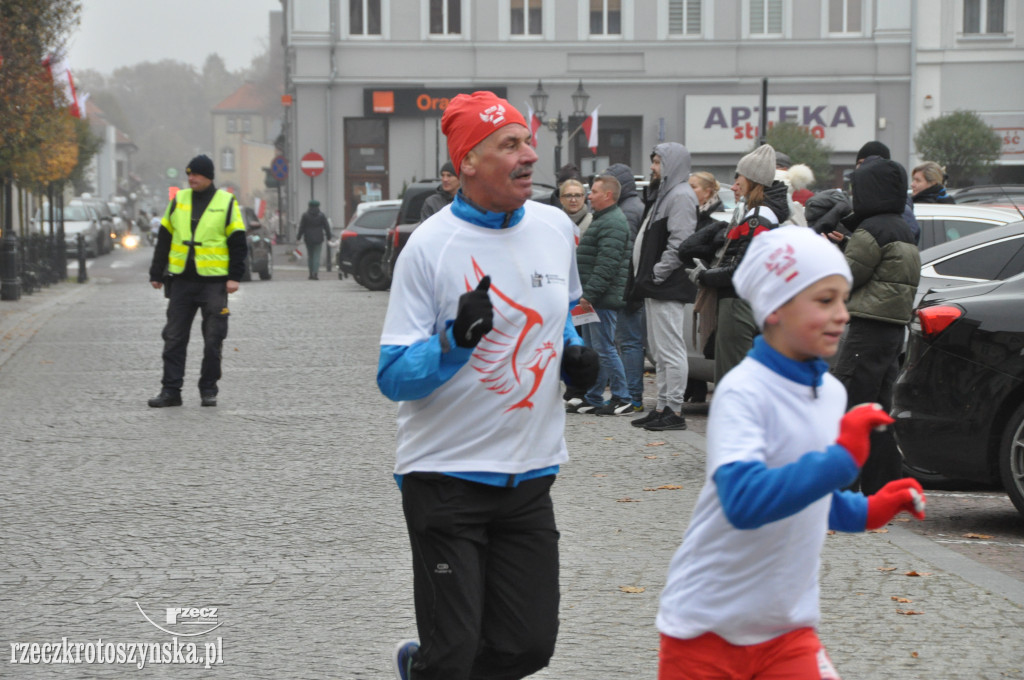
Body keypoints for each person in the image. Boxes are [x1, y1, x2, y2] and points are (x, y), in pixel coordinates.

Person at [377, 90, 598, 680]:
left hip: (529, 474)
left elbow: (569, 308)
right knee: (454, 655)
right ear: (467, 162)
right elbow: (393, 376)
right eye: (510, 145)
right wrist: (452, 343)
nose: (530, 155)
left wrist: (578, 355)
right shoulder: (429, 247)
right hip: (445, 476)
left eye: (529, 140)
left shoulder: (555, 228)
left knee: (527, 647)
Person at [657, 226, 927, 680]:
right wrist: (843, 458)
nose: (843, 314)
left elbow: (809, 496)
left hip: (786, 631)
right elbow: (744, 502)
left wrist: (872, 509)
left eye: (843, 299)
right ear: (776, 308)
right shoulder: (743, 391)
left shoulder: (830, 396)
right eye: (825, 301)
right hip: (704, 631)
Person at [831, 156, 921, 495]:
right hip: (892, 330)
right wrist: (848, 245)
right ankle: (883, 487)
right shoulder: (902, 228)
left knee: (850, 404)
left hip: (867, 330)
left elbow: (848, 277)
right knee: (878, 411)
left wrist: (836, 253)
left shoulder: (872, 229)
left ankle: (842, 487)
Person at [147, 154, 246, 408]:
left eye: (197, 174)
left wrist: (235, 276)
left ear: (209, 177)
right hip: (181, 281)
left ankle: (208, 388)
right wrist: (156, 273)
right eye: (189, 174)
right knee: (173, 337)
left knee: (214, 338)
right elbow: (165, 237)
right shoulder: (178, 200)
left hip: (213, 282)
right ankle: (171, 391)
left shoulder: (226, 202)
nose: (191, 178)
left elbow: (237, 241)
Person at [697, 144, 790, 382]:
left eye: (740, 178)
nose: (735, 185)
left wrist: (703, 276)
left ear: (753, 181)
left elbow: (740, 269)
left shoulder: (758, 218)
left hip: (738, 303)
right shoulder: (760, 215)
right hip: (745, 301)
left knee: (732, 377)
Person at [627, 143, 699, 431]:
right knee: (659, 350)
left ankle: (674, 409)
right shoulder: (667, 194)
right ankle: (662, 406)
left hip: (665, 284)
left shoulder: (680, 195)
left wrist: (658, 272)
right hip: (657, 283)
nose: (653, 167)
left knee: (670, 349)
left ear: (670, 164)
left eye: (657, 162)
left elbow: (680, 241)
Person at [568, 174, 633, 415]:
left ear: (607, 195)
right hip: (592, 297)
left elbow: (607, 265)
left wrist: (589, 295)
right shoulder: (604, 219)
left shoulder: (613, 222)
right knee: (594, 349)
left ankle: (622, 397)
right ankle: (594, 396)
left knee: (604, 348)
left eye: (594, 192)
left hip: (599, 299)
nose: (589, 196)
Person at [677, 171, 728, 404]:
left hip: (707, 279)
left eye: (694, 187)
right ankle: (693, 384)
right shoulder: (690, 213)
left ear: (708, 191)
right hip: (692, 279)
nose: (689, 192)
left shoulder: (717, 217)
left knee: (703, 332)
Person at [606, 162, 647, 413]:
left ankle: (633, 397)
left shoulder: (627, 210)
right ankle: (631, 395)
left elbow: (627, 253)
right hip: (629, 286)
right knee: (627, 341)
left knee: (629, 342)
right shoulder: (632, 206)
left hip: (627, 287)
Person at [295, 199, 332, 279]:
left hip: (308, 238)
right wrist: (329, 237)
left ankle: (311, 273)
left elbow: (302, 227)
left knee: (310, 255)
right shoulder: (321, 215)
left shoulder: (305, 215)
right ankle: (315, 273)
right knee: (317, 256)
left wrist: (298, 237)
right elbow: (326, 227)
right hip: (319, 238)